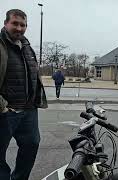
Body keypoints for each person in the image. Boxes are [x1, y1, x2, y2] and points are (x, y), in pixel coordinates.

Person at [0, 9, 47, 180]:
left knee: (31, 145)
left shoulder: (26, 46)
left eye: (23, 25)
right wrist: (3, 107)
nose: (19, 28)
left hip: (28, 111)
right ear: (6, 23)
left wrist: (36, 100)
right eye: (15, 23)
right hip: (6, 112)